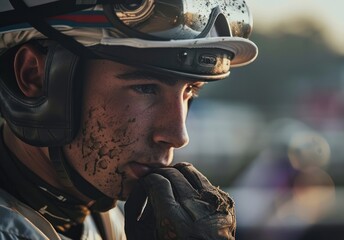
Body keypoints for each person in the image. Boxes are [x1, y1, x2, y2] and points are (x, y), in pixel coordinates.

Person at [0, 0, 258, 239]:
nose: (178, 136)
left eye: (191, 91)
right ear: (34, 76)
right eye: (146, 88)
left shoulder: (106, 220)